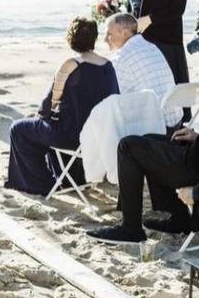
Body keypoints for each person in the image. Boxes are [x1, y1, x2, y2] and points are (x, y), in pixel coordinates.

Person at [88, 19, 199, 244]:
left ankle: (130, 228)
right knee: (152, 139)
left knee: (128, 146)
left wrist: (197, 193)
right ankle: (179, 218)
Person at [6, 17, 119, 195]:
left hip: (73, 137)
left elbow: (49, 103)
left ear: (71, 38)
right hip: (100, 136)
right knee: (44, 126)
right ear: (94, 39)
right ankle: (68, 178)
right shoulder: (108, 66)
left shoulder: (71, 65)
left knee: (18, 128)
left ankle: (41, 183)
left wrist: (41, 116)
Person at [104, 13, 180, 129]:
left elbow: (113, 98)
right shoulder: (152, 47)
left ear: (125, 33)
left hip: (152, 128)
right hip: (174, 122)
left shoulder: (121, 57)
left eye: (109, 34)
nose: (105, 39)